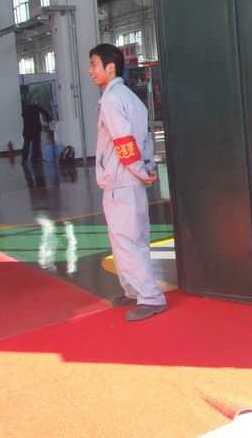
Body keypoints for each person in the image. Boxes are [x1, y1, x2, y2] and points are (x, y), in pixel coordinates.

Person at [89, 43, 167, 321]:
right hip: (130, 180)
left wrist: (138, 170)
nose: (91, 70)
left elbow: (124, 140)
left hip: (121, 181)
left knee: (126, 241)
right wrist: (145, 167)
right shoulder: (132, 99)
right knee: (132, 238)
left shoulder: (111, 100)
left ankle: (150, 297)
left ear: (110, 68)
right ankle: (133, 290)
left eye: (94, 64)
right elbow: (144, 138)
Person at [21, 98, 50, 163]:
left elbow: (22, 115)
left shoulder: (25, 109)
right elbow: (45, 112)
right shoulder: (36, 108)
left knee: (26, 146)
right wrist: (48, 119)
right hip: (35, 130)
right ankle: (34, 159)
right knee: (35, 145)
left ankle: (24, 160)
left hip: (27, 130)